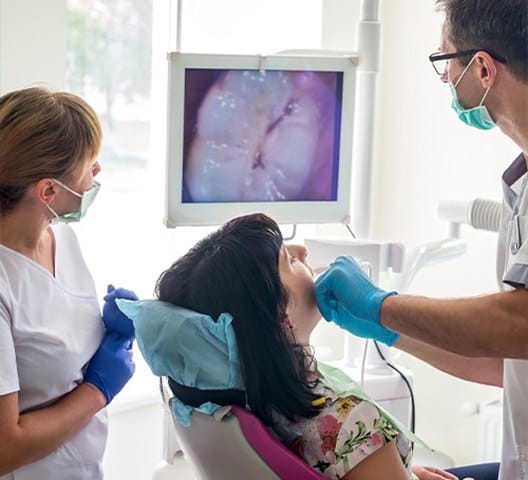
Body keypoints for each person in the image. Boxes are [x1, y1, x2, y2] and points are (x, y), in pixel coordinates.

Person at [315, 2, 527, 480]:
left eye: (445, 62)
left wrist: (383, 305)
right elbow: (508, 361)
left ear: (484, 68)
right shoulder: (521, 184)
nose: (446, 80)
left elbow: (520, 324)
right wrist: (393, 330)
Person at [148, 212, 457, 480]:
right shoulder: (348, 421)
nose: (302, 250)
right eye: (290, 260)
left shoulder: (251, 401)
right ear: (282, 317)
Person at [0, 86, 136, 479]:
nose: (97, 173)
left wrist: (109, 335)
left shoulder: (63, 239)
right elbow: (5, 448)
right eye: (88, 164)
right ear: (47, 190)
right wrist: (98, 390)